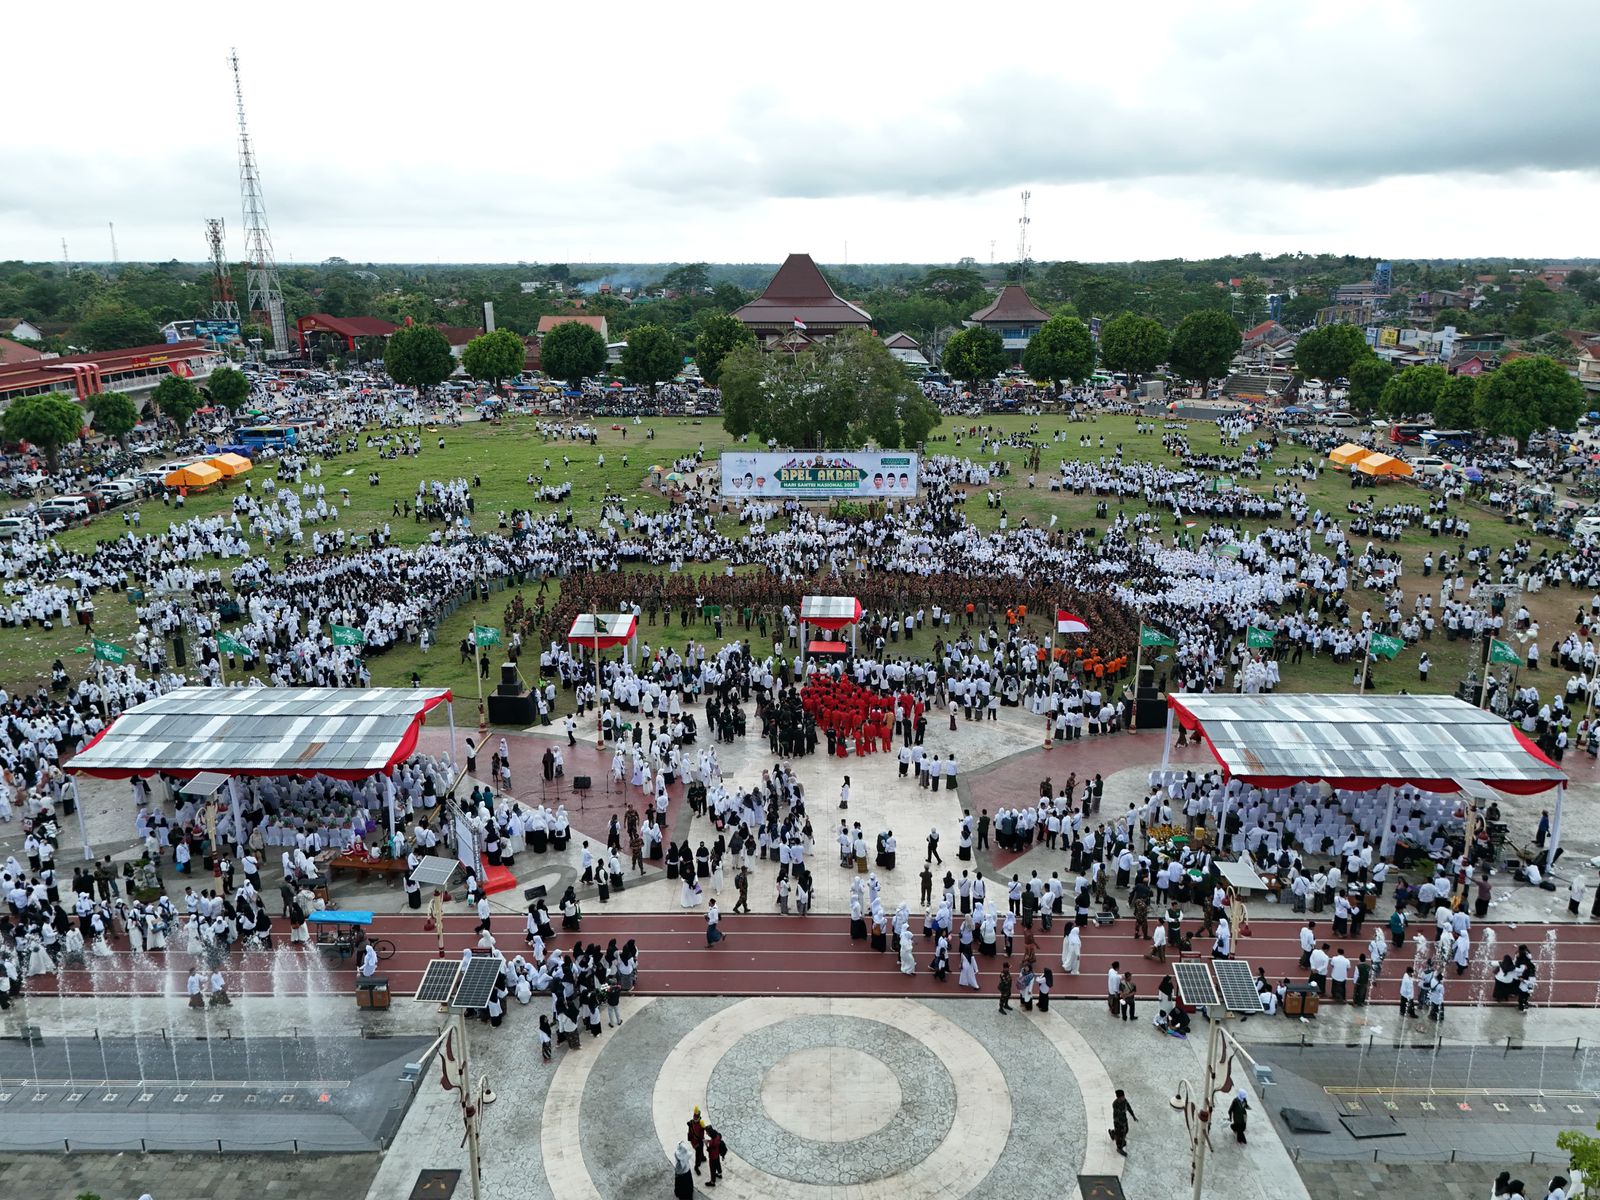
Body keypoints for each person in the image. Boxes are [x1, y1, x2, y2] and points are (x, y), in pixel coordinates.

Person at [1109, 1088, 1137, 1156]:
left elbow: (1128, 1107)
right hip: (1118, 1121)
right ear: (1118, 1097)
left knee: (1126, 1130)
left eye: (1124, 1096)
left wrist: (1133, 1116)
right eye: (1122, 1097)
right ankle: (1119, 1148)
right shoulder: (1115, 1104)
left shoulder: (1124, 1101)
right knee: (1120, 1135)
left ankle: (1113, 1134)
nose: (1124, 1098)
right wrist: (1121, 1125)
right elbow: (1118, 1115)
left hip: (1124, 1120)